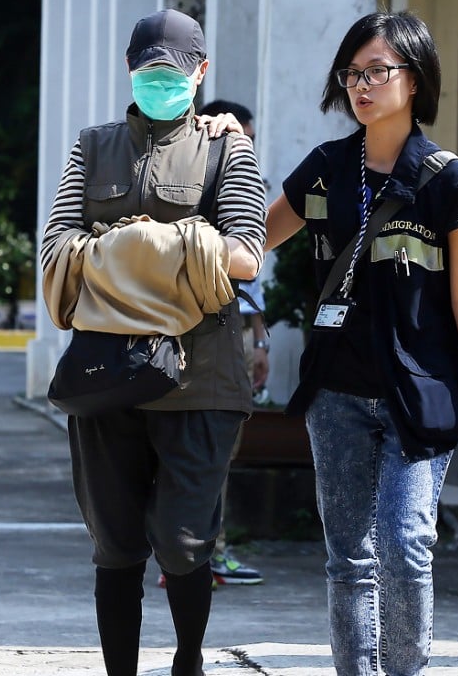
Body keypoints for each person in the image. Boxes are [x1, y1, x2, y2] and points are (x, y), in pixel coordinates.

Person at [248, 11, 458, 675]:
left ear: (413, 79)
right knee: (348, 559)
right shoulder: (327, 169)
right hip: (336, 393)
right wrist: (218, 153)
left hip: (422, 400)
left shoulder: (451, 182)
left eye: (377, 71)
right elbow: (250, 247)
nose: (361, 85)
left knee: (403, 541)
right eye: (352, 73)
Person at [40, 9, 266, 676]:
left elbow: (246, 254)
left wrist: (125, 245)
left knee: (184, 540)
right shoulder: (93, 145)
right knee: (114, 544)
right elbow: (57, 256)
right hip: (106, 375)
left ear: (199, 72)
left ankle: (189, 661)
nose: (158, 82)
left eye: (171, 72)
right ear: (130, 72)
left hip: (202, 376)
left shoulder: (229, 148)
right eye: (146, 72)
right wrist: (184, 246)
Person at [196, 99, 267, 586]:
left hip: (240, 326)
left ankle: (204, 550)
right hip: (205, 328)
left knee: (223, 447)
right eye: (240, 137)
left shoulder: (249, 185)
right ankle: (199, 552)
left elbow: (256, 270)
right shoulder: (199, 179)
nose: (247, 148)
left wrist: (260, 337)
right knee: (206, 446)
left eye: (252, 140)